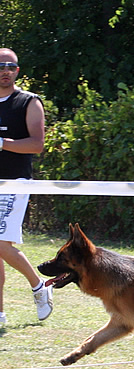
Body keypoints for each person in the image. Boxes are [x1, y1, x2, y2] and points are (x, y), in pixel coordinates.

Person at [0, 47, 53, 325]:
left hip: (13, 182)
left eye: (10, 66)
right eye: (0, 66)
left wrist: (2, 143)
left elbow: (37, 144)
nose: (5, 71)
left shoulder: (28, 102)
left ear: (17, 70)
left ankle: (39, 285)